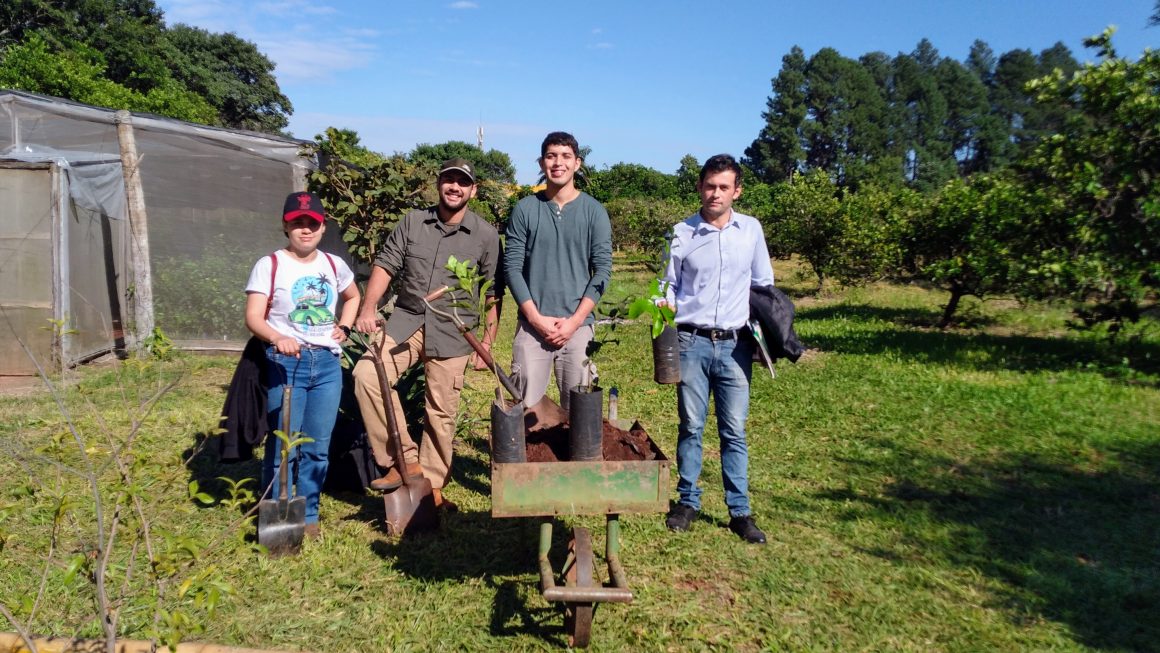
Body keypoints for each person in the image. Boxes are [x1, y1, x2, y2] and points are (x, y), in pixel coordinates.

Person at [352, 158, 501, 510]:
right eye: (449, 180)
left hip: (454, 330)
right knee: (366, 375)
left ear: (473, 190)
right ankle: (403, 461)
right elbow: (386, 264)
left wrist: (488, 344)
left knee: (441, 411)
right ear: (438, 184)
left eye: (462, 182)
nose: (454, 187)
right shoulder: (413, 222)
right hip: (408, 320)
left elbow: (493, 292)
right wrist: (368, 307)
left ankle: (430, 491)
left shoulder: (485, 235)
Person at [660, 154, 772, 545]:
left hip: (736, 346)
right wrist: (664, 306)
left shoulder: (751, 231)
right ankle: (687, 500)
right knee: (691, 425)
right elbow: (667, 286)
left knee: (734, 430)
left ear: (736, 191)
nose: (716, 193)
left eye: (724, 187)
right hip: (691, 341)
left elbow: (763, 283)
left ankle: (739, 512)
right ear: (700, 188)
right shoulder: (682, 233)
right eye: (710, 185)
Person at [244, 191, 359, 540]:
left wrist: (346, 326)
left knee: (317, 446)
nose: (305, 229)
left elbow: (352, 296)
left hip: (326, 366)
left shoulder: (334, 265)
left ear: (323, 227)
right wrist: (277, 337)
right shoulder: (270, 265)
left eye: (312, 223)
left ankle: (308, 513)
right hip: (286, 364)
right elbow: (253, 317)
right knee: (284, 443)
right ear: (285, 226)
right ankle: (275, 507)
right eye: (298, 223)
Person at [504, 131, 612, 411]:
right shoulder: (525, 209)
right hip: (532, 326)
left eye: (565, 156)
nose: (558, 163)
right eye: (551, 156)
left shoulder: (594, 212)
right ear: (541, 163)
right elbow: (512, 268)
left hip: (577, 327)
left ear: (577, 163)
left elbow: (602, 271)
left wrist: (575, 321)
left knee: (580, 410)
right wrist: (536, 319)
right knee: (523, 406)